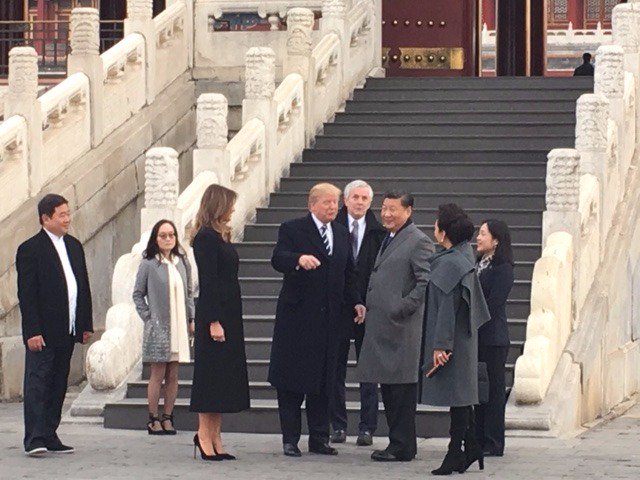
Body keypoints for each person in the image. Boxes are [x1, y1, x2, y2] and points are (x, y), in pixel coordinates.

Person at [268, 183, 366, 458]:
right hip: (298, 321)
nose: (333, 207)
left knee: (324, 382)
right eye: (327, 202)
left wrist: (357, 301)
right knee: (292, 382)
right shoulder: (293, 229)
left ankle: (319, 438)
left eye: (335, 202)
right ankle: (290, 439)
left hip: (330, 322)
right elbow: (278, 259)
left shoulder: (341, 233)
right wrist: (298, 259)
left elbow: (348, 273)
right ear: (312, 205)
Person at [356, 191, 434, 462]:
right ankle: (399, 443)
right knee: (389, 388)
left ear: (408, 211)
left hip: (401, 328)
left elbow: (425, 282)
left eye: (393, 209)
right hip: (382, 327)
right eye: (384, 209)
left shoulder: (418, 241)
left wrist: (401, 307)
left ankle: (402, 445)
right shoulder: (390, 237)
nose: (387, 214)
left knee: (401, 390)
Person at [16, 194, 93, 456]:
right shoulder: (30, 249)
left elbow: (82, 286)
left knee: (59, 382)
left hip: (67, 328)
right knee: (38, 383)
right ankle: (34, 437)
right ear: (45, 218)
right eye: (61, 215)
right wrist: (32, 331)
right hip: (43, 332)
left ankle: (50, 433)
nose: (67, 219)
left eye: (68, 213)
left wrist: (84, 323)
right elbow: (27, 295)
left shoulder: (74, 246)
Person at [420, 204, 490, 476]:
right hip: (462, 337)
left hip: (453, 339)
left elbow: (447, 308)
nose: (434, 227)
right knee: (461, 395)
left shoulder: (449, 264)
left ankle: (455, 451)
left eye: (437, 223)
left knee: (458, 397)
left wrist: (441, 344)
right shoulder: (461, 256)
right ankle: (470, 446)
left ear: (444, 232)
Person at [189, 185, 250, 461]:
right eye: (230, 204)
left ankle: (216, 435)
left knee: (224, 377)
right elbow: (209, 280)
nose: (233, 209)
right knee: (211, 376)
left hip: (230, 312)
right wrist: (214, 320)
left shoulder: (220, 236)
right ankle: (203, 434)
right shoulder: (205, 238)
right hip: (215, 314)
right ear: (218, 205)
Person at [330, 180, 386, 447]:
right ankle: (337, 426)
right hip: (338, 308)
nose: (360, 202)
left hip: (370, 308)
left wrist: (366, 302)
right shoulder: (332, 227)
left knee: (369, 371)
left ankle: (367, 428)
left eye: (365, 198)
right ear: (346, 200)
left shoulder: (379, 232)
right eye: (356, 197)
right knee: (335, 369)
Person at [133, 219, 195, 435]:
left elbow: (189, 293)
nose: (168, 239)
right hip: (158, 327)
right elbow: (137, 294)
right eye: (163, 235)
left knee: (174, 374)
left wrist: (191, 318)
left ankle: (168, 416)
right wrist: (148, 317)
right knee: (157, 374)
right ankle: (153, 418)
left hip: (179, 325)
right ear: (156, 239)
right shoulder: (149, 264)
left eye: (171, 235)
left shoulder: (182, 262)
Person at [474, 219, 514, 457]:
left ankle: (494, 441)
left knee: (494, 391)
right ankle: (479, 438)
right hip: (477, 337)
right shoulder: (479, 264)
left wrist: (472, 319)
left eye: (483, 234)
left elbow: (494, 303)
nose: (478, 238)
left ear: (496, 240)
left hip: (493, 338)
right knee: (480, 390)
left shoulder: (503, 268)